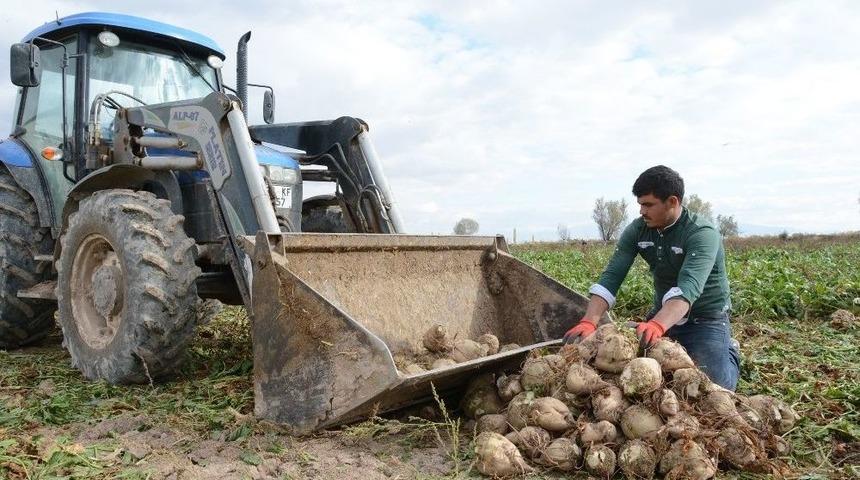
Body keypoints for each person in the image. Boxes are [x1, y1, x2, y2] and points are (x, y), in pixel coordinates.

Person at [563, 165, 740, 390]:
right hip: (663, 314)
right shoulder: (638, 230)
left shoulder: (701, 233)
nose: (641, 212)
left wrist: (657, 325)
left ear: (672, 202)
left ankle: (730, 351)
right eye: (640, 204)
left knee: (714, 385)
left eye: (648, 205)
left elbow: (688, 288)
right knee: (634, 371)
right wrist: (589, 320)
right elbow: (611, 277)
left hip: (705, 318)